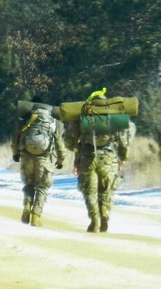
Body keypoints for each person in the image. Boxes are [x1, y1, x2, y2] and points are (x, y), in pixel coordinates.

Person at [63, 90, 136, 233]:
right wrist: (122, 158)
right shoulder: (113, 115)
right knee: (105, 189)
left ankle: (94, 220)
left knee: (89, 191)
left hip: (87, 157)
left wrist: (76, 148)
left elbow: (69, 141)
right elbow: (123, 141)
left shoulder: (82, 115)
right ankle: (104, 212)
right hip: (108, 158)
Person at [10, 96, 65, 226]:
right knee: (42, 186)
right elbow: (58, 142)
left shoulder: (25, 119)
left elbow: (15, 139)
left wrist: (16, 154)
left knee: (29, 184)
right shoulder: (53, 122)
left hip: (26, 156)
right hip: (44, 158)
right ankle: (36, 216)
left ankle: (27, 205)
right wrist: (61, 159)